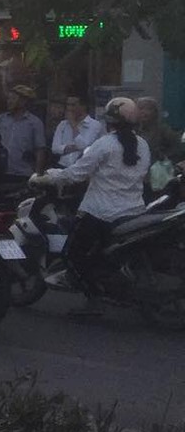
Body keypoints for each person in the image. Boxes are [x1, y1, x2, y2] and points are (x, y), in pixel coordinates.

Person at [34, 96, 151, 317]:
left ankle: (94, 300)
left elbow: (76, 174)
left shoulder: (105, 144)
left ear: (109, 121)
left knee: (73, 254)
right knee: (100, 255)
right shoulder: (143, 145)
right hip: (134, 211)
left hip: (100, 213)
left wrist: (49, 178)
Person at [0, 84, 46, 181]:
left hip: (23, 173)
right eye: (8, 98)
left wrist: (38, 175)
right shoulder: (1, 119)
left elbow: (40, 150)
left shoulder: (34, 123)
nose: (9, 102)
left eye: (13, 99)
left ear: (23, 101)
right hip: (1, 172)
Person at [50, 92, 103, 168]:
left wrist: (73, 124)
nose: (69, 108)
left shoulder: (94, 125)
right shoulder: (63, 124)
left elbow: (83, 146)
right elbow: (55, 148)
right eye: (68, 105)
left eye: (73, 105)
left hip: (83, 167)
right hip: (63, 166)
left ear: (83, 106)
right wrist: (75, 147)